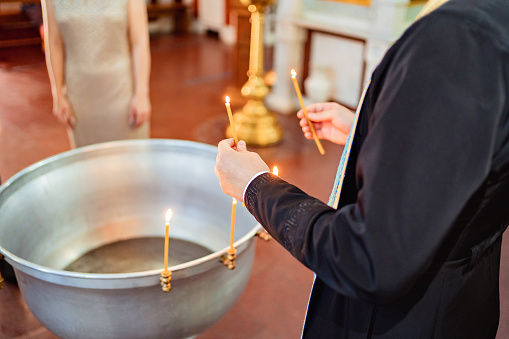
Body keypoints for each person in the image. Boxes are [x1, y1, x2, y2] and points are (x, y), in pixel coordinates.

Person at [215, 0, 509, 337]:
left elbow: (370, 257)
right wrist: (370, 129)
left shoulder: (458, 37)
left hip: (405, 317)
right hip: (464, 301)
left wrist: (255, 186)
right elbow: (474, 147)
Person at [41, 0, 151, 148]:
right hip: (79, 99)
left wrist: (141, 94)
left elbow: (140, 40)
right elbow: (53, 42)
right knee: (88, 164)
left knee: (130, 163)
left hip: (121, 95)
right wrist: (58, 94)